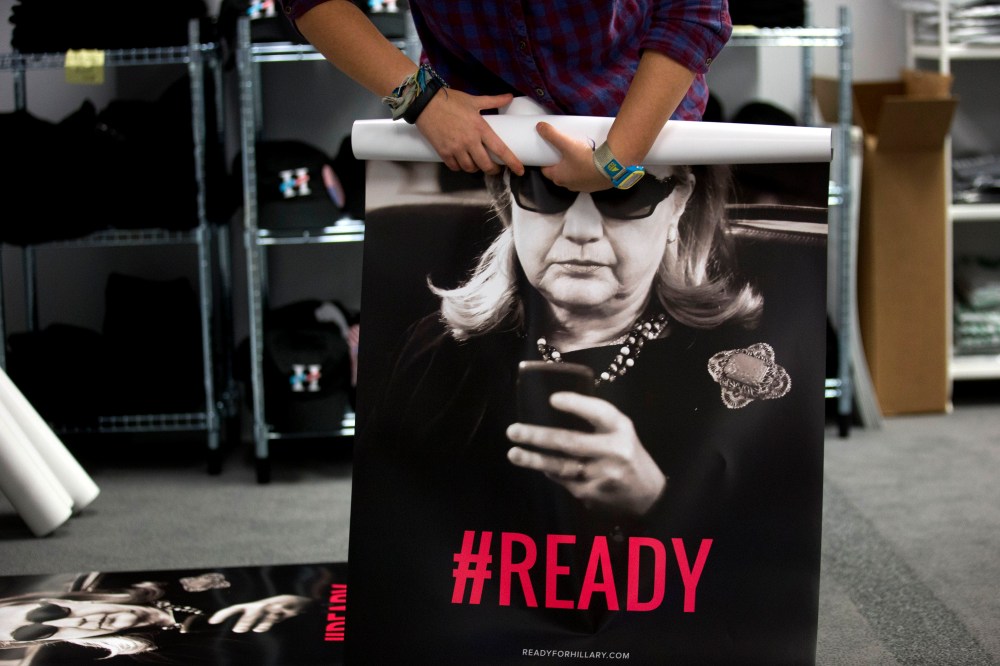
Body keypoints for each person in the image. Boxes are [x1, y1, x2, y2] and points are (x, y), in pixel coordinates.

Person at [346, 161, 826, 662]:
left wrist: (656, 501)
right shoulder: (437, 348)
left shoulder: (746, 363)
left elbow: (771, 577)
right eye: (546, 190)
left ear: (678, 202)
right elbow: (398, 549)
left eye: (625, 193)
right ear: (507, 197)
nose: (580, 229)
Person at [277, 0, 732, 191]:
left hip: (641, 136)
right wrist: (422, 99)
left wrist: (618, 160)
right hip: (471, 148)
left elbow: (695, 10)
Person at [0, 571, 317, 665]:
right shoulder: (146, 660)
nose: (75, 624)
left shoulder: (118, 577)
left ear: (56, 599)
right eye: (41, 632)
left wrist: (297, 600)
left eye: (50, 613)